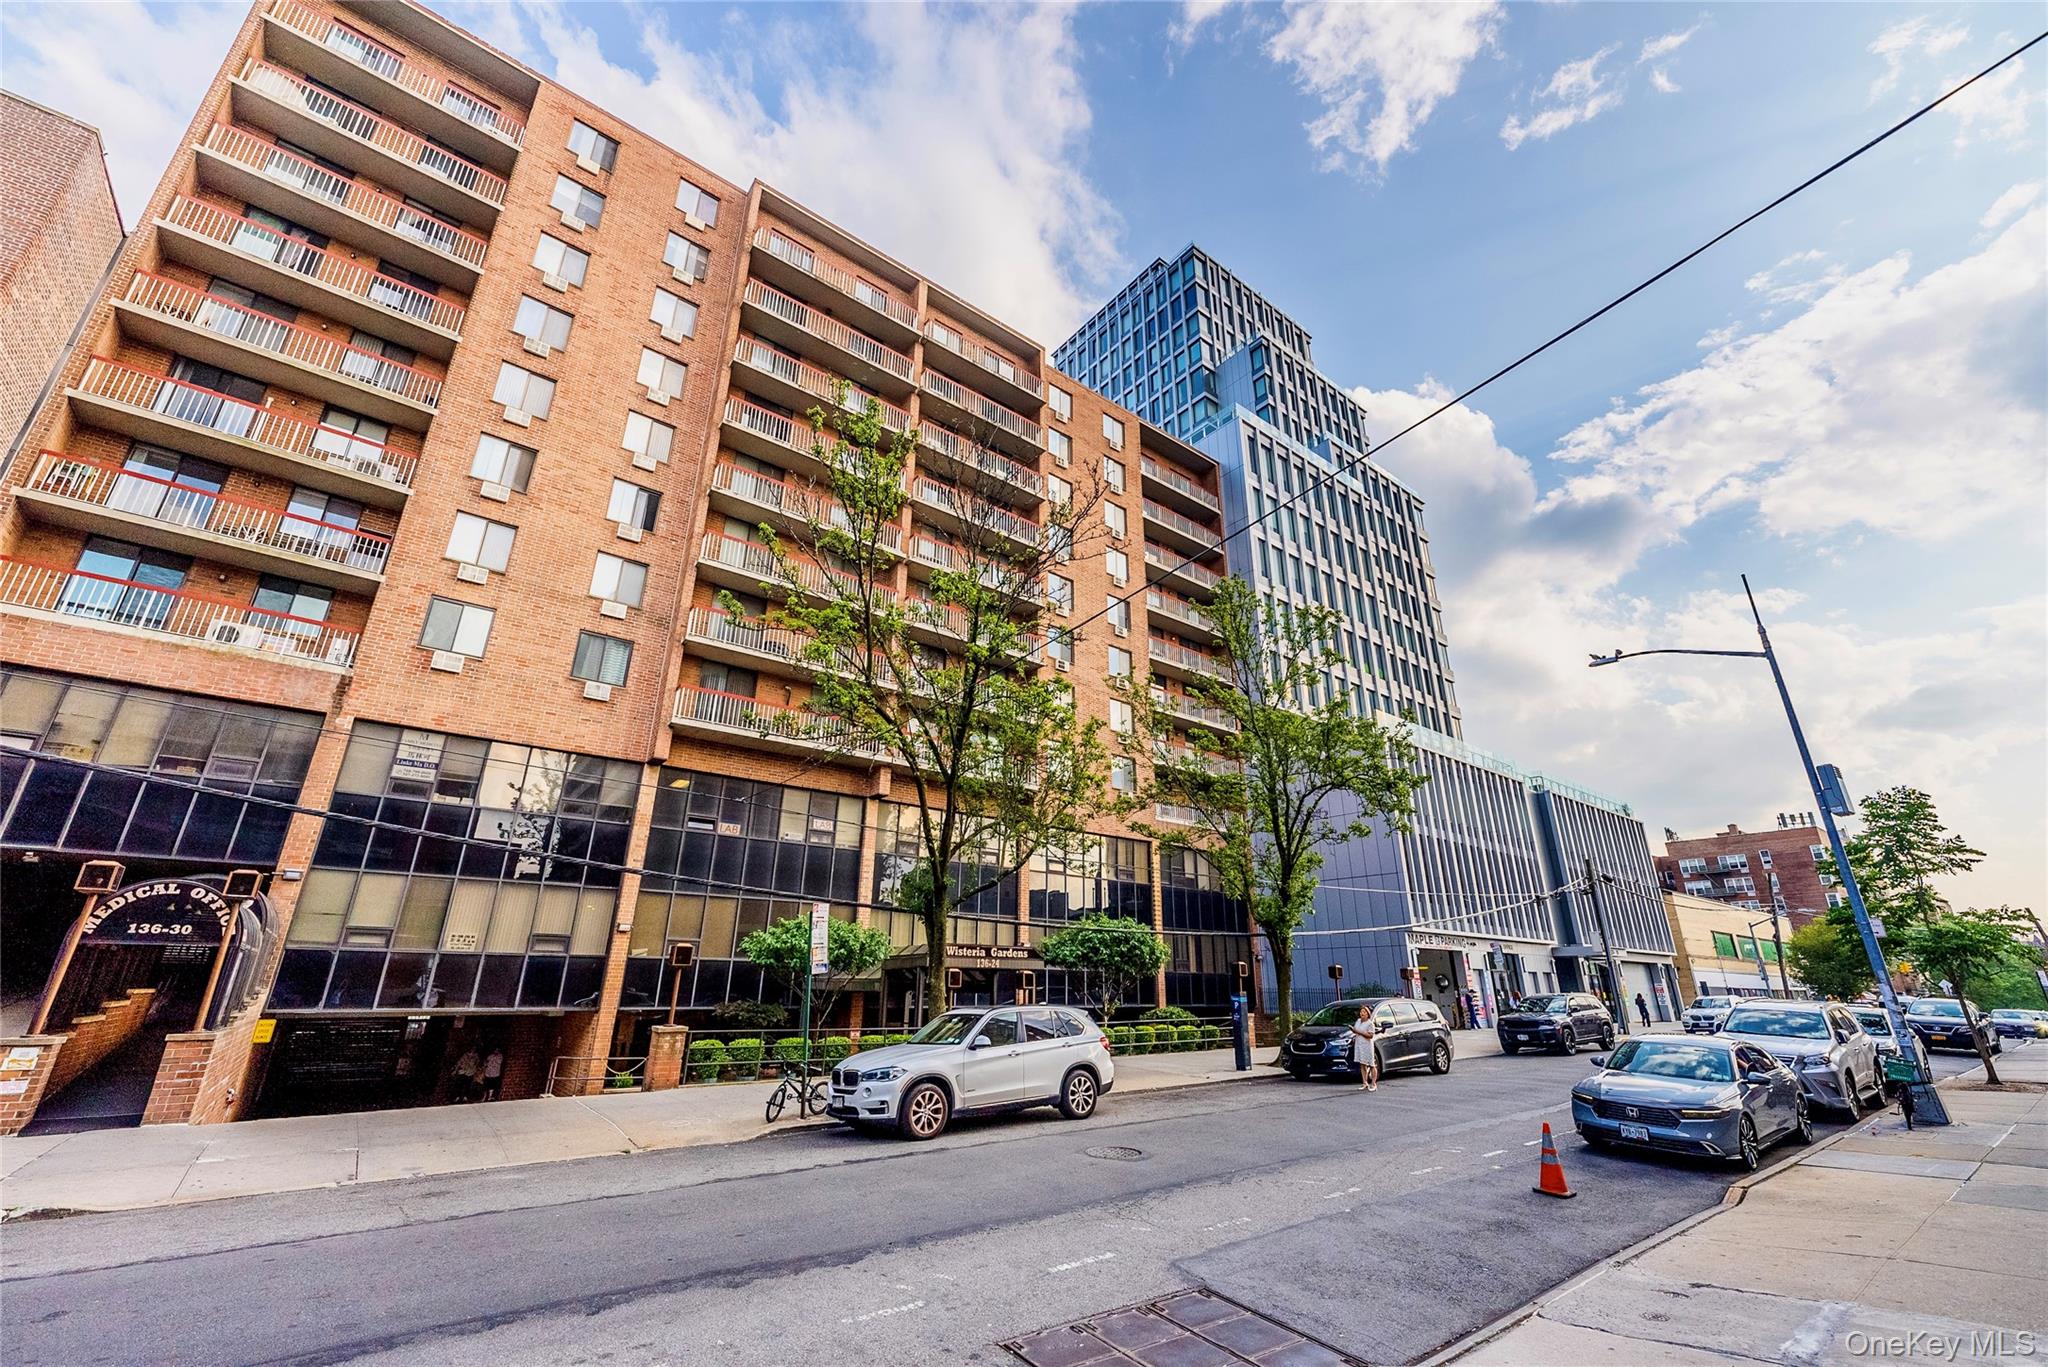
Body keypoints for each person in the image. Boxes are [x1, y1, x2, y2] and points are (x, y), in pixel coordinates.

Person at [1349, 1004, 1380, 1093]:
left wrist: (1359, 1032)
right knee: (1362, 1064)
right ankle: (1364, 1082)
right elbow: (1355, 1030)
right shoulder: (1358, 1021)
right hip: (1359, 1044)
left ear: (1368, 1014)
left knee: (1371, 1064)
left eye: (1364, 1012)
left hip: (1367, 1045)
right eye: (1361, 1012)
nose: (1362, 1013)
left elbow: (1370, 1035)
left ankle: (1373, 1083)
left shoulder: (1370, 1023)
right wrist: (1354, 1030)